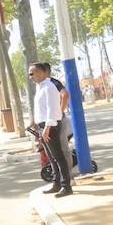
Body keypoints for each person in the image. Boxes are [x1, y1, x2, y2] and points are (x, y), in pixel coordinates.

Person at [29, 62, 71, 196]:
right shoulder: (40, 87)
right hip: (43, 126)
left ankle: (66, 186)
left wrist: (47, 128)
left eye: (32, 73)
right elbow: (41, 109)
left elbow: (52, 109)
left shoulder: (49, 87)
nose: (30, 76)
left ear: (41, 73)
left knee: (59, 157)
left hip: (50, 126)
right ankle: (56, 183)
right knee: (51, 158)